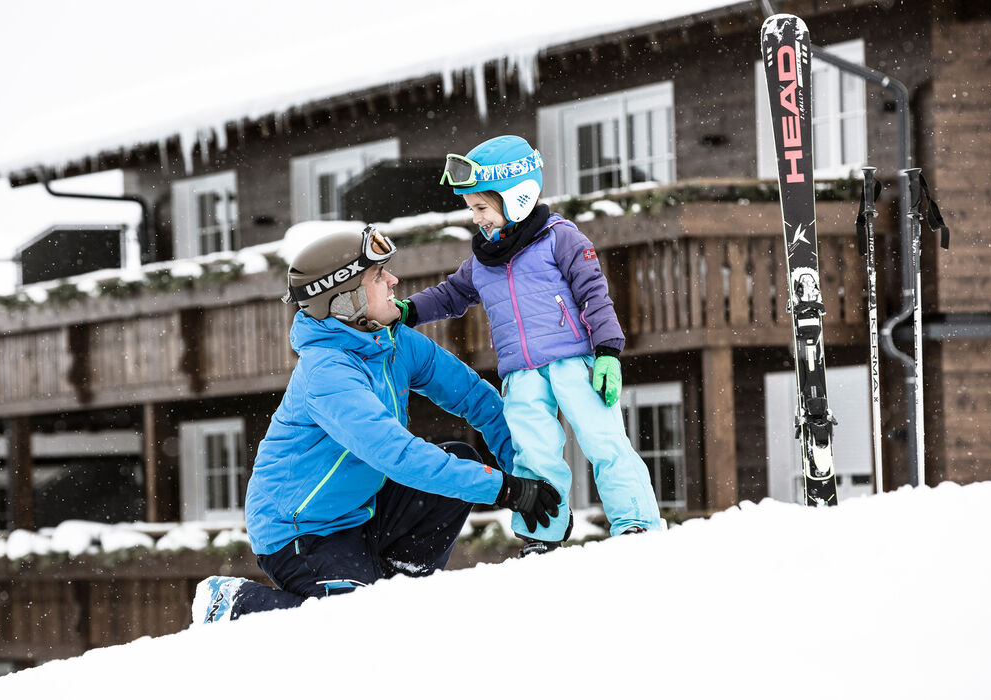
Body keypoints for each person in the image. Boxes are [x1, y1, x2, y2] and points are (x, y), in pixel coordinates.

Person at [192, 224, 560, 624]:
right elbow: (398, 455)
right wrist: (506, 490)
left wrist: (528, 471)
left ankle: (398, 590)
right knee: (351, 626)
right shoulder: (327, 374)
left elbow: (476, 399)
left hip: (364, 510)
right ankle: (235, 603)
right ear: (345, 299)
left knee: (459, 459)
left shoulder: (392, 342)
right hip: (302, 530)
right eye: (378, 275)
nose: (393, 280)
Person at [394, 135, 663, 557]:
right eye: (472, 210)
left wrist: (608, 351)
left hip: (575, 361)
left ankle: (636, 523)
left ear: (516, 196)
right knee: (533, 453)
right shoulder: (483, 261)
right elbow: (449, 296)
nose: (476, 218)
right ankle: (543, 532)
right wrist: (407, 311)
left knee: (602, 441)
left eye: (481, 208)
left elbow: (594, 292)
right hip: (521, 373)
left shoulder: (560, 238)